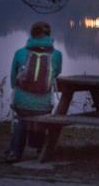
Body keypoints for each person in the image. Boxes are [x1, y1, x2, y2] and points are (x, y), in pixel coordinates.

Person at [4, 21, 62, 163]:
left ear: (31, 34)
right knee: (40, 112)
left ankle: (15, 152)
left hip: (21, 104)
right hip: (44, 105)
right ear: (49, 35)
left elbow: (13, 81)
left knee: (22, 117)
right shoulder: (57, 55)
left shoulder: (19, 53)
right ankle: (39, 148)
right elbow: (56, 73)